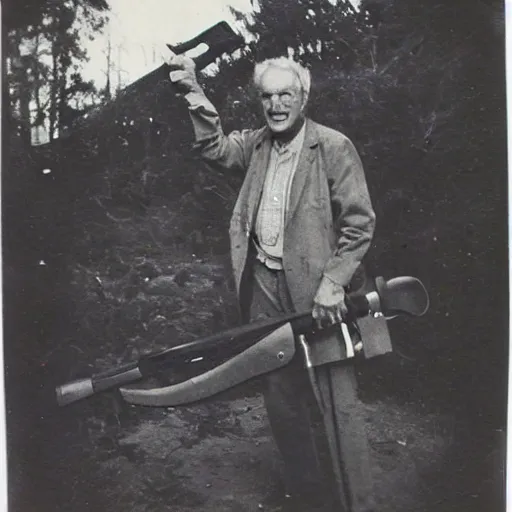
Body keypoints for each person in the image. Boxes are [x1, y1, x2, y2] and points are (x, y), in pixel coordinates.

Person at [167, 54, 376, 512]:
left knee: (332, 398)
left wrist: (335, 282)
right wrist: (191, 89)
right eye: (268, 96)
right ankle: (308, 498)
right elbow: (213, 149)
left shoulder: (334, 147)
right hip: (263, 283)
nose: (277, 105)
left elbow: (359, 224)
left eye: (286, 94)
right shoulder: (257, 145)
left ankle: (353, 501)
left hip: (317, 293)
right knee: (281, 399)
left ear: (303, 97)